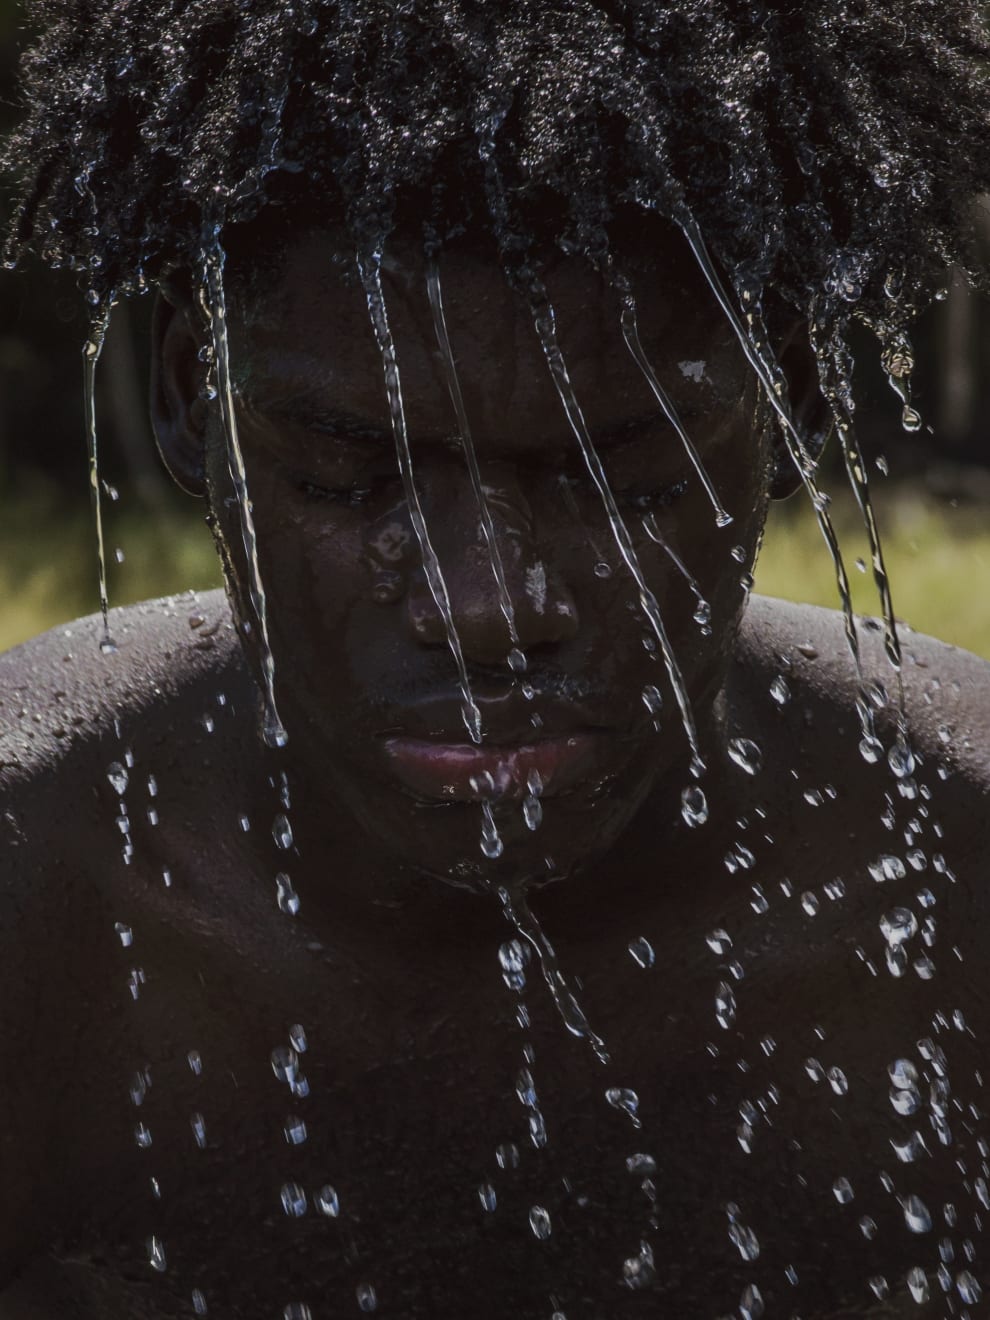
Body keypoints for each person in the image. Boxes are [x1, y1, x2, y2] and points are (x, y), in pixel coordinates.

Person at [2, 1, 990, 1315]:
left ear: (787, 402)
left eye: (620, 479)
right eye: (348, 479)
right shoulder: (38, 883)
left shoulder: (953, 866)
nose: (483, 609)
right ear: (198, 402)